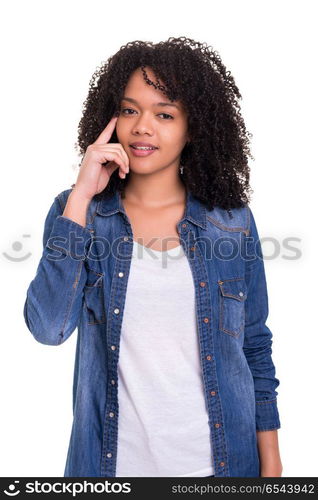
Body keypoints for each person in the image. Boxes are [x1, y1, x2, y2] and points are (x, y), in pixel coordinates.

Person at [23, 36, 283, 478]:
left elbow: (254, 345)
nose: (143, 127)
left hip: (222, 467)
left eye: (164, 114)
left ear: (193, 127)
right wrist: (81, 195)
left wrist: (272, 466)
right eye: (129, 110)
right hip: (110, 469)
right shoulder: (80, 213)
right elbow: (48, 328)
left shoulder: (232, 223)